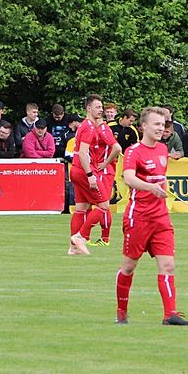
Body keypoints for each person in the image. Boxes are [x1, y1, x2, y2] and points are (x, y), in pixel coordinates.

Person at [114, 106, 188, 326]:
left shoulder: (162, 149)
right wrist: (150, 188)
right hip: (138, 217)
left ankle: (170, 315)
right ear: (144, 126)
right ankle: (121, 312)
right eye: (156, 124)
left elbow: (160, 177)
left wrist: (160, 189)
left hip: (161, 217)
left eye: (163, 124)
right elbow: (129, 178)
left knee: (168, 265)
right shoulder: (134, 151)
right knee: (129, 267)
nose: (161, 128)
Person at [67, 94, 122, 255]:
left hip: (76, 169)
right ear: (89, 108)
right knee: (103, 206)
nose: (101, 110)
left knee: (81, 208)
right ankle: (80, 237)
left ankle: (73, 247)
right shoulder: (90, 127)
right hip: (85, 171)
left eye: (101, 107)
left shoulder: (84, 125)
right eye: (98, 107)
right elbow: (83, 152)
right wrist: (90, 174)